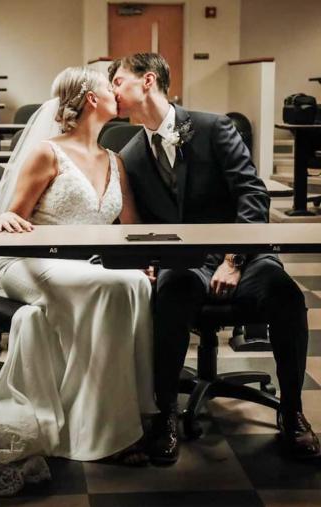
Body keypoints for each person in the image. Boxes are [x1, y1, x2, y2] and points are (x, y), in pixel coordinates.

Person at [109, 53, 320, 465]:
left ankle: (292, 412)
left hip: (239, 253)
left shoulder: (212, 127)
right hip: (184, 263)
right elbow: (141, 220)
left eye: (118, 80)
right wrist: (147, 259)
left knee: (286, 296)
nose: (113, 89)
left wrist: (234, 259)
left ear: (148, 80)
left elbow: (253, 195)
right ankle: (165, 414)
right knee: (169, 292)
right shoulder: (130, 154)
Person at [0, 66, 157, 497]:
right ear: (92, 100)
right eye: (109, 89)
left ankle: (131, 411)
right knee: (117, 287)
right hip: (27, 262)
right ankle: (109, 434)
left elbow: (129, 227)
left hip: (84, 267)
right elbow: (13, 213)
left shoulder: (115, 160)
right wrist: (7, 217)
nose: (117, 93)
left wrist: (144, 261)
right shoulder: (47, 153)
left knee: (137, 284)